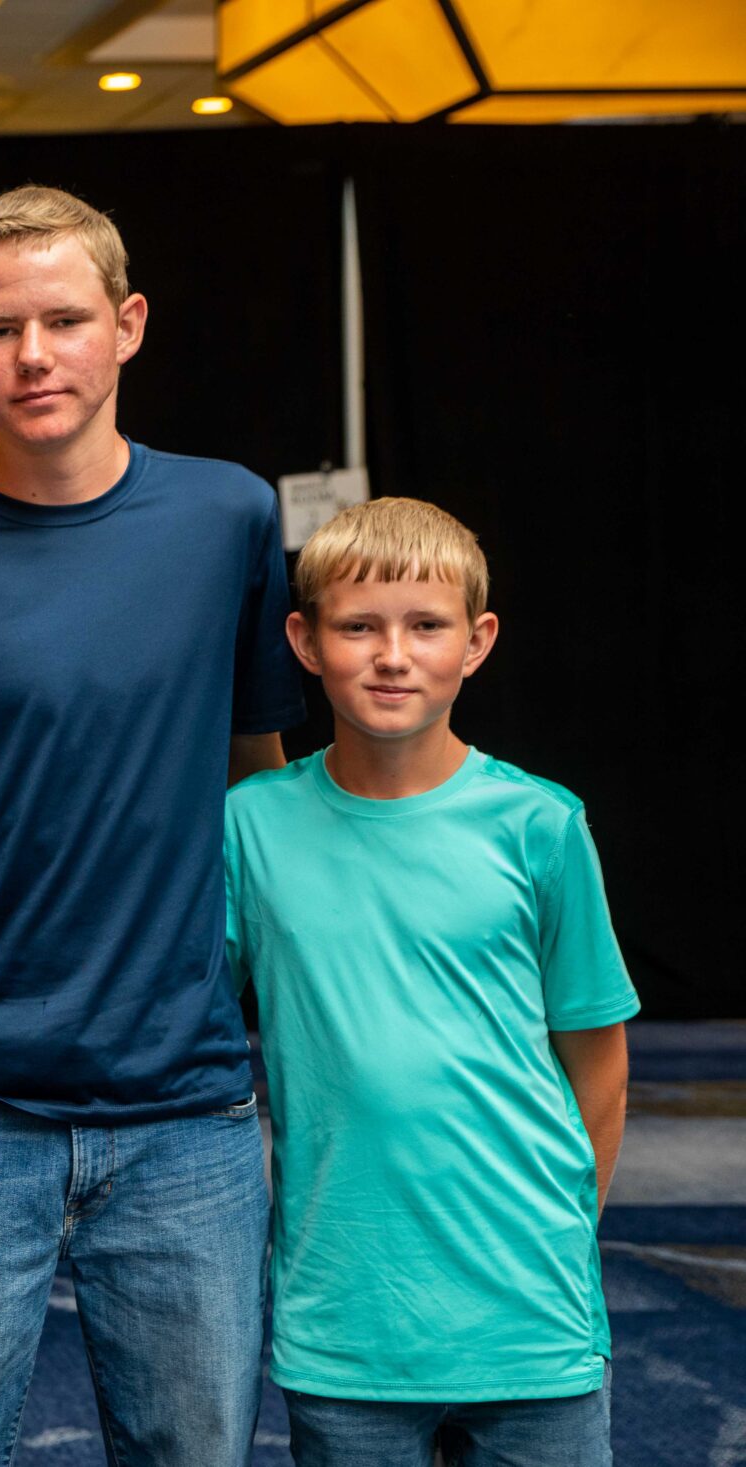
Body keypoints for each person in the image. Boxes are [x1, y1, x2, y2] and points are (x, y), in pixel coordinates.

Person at [0, 184, 306, 1465]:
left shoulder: (230, 520)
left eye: (66, 320)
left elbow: (263, 775)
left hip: (188, 1108)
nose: (34, 355)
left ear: (127, 325)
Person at [226, 496, 635, 1466]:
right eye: (358, 626)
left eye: (425, 626)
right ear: (305, 640)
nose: (392, 654)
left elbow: (599, 1067)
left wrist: (562, 1246)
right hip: (345, 1327)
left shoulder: (540, 826)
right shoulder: (249, 827)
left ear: (477, 641)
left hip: (531, 1320)